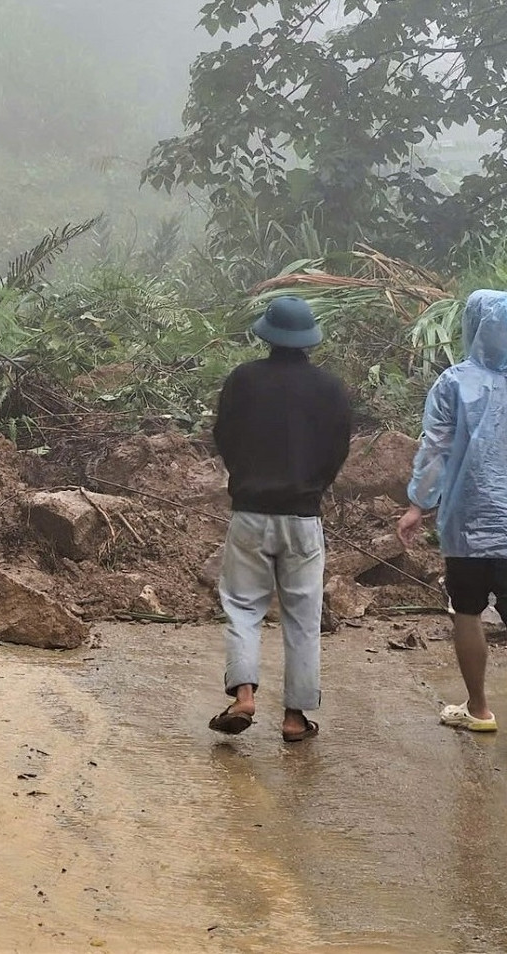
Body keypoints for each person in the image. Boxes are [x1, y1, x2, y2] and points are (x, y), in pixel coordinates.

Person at [396, 289, 507, 756]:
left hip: (466, 520)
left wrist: (417, 504)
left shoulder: (453, 383)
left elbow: (436, 447)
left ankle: (480, 708)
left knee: (465, 609)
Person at [209, 295, 352, 743]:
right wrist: (315, 485)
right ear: (309, 340)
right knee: (303, 617)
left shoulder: (243, 380)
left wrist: (244, 476)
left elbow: (224, 436)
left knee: (244, 607)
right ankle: (294, 718)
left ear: (267, 335)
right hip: (303, 516)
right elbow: (338, 448)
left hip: (250, 513)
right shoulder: (331, 389)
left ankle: (244, 695)